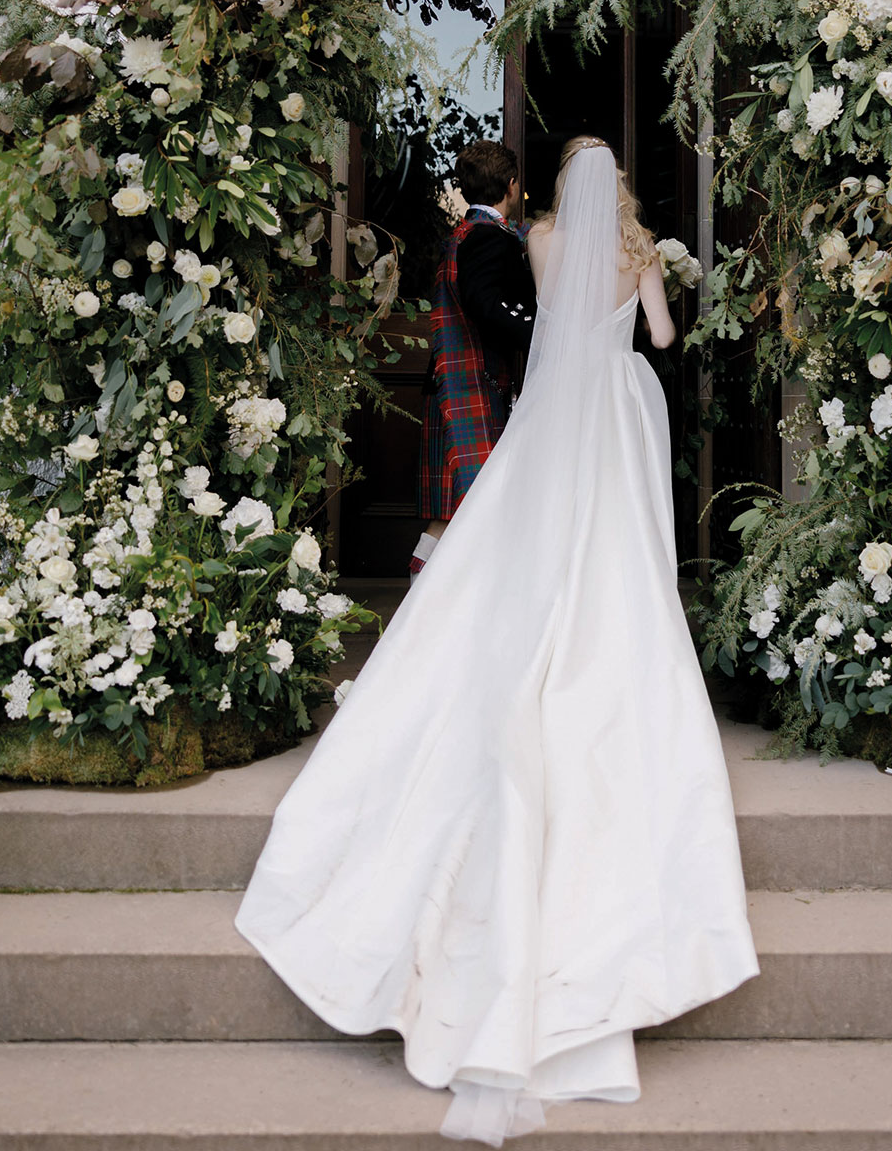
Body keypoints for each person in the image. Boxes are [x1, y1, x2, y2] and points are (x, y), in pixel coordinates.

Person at [236, 135, 758, 1145]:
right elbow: (657, 343)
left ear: (557, 186)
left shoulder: (541, 237)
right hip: (620, 405)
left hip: (556, 410)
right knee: (621, 552)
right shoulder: (640, 250)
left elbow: (542, 329)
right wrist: (652, 281)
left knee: (524, 547)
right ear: (625, 193)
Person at [410, 140, 536, 583]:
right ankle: (423, 608)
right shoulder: (487, 238)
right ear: (512, 184)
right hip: (469, 391)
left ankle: (423, 605)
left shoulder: (466, 233)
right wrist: (541, 333)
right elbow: (486, 303)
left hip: (453, 386)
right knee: (465, 511)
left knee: (452, 514)